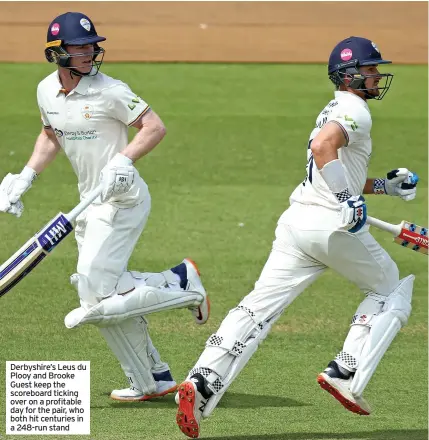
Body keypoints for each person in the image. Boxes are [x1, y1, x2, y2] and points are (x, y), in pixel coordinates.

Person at [174, 36, 419, 438]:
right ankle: (345, 371)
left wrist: (381, 188)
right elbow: (326, 151)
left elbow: (331, 166)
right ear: (351, 75)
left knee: (257, 308)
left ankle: (200, 382)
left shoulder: (333, 109)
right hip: (330, 227)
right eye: (371, 69)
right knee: (391, 288)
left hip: (297, 224)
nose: (377, 75)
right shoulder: (356, 108)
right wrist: (347, 199)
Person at [0, 12, 210, 402]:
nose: (90, 52)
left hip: (122, 199)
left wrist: (124, 159)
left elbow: (154, 127)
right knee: (99, 294)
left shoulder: (111, 90)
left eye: (91, 45)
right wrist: (25, 176)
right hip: (88, 202)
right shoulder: (46, 91)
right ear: (57, 53)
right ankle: (152, 378)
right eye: (80, 47)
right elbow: (50, 135)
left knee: (95, 293)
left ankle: (184, 285)